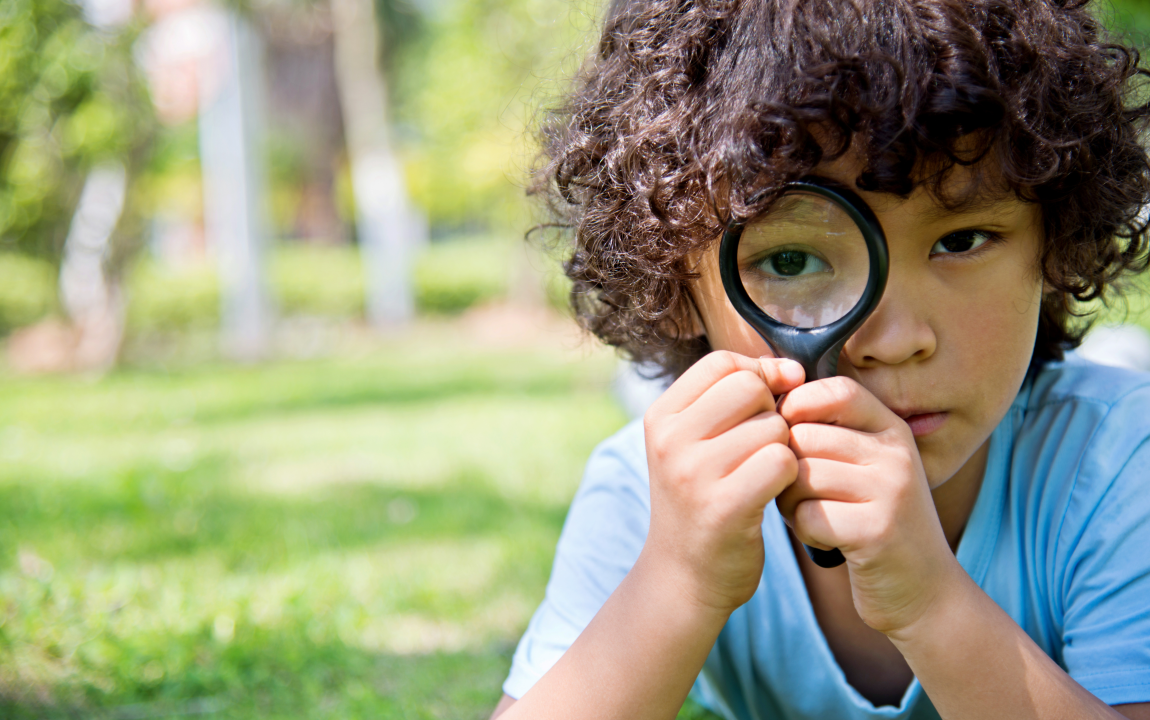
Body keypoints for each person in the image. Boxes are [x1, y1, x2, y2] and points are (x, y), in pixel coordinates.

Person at [492, 1, 1150, 718]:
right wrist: (678, 581)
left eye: (961, 241)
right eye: (794, 258)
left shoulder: (1119, 463)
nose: (897, 339)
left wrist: (931, 603)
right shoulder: (654, 495)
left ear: (1056, 240)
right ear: (675, 283)